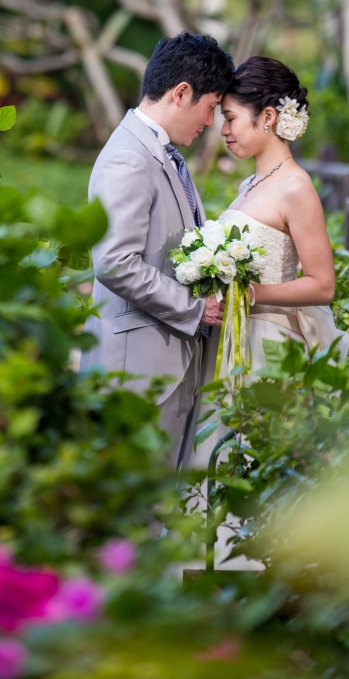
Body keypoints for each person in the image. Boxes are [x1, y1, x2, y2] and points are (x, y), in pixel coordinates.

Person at [79, 31, 235, 471]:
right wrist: (193, 307)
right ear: (181, 93)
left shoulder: (161, 154)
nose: (210, 123)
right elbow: (114, 261)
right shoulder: (129, 158)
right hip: (136, 373)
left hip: (165, 366)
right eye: (210, 108)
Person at [216, 55, 349, 370]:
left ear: (267, 116)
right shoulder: (250, 182)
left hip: (267, 343)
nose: (223, 130)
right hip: (233, 336)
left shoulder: (295, 188)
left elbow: (322, 284)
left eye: (230, 118)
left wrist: (251, 293)